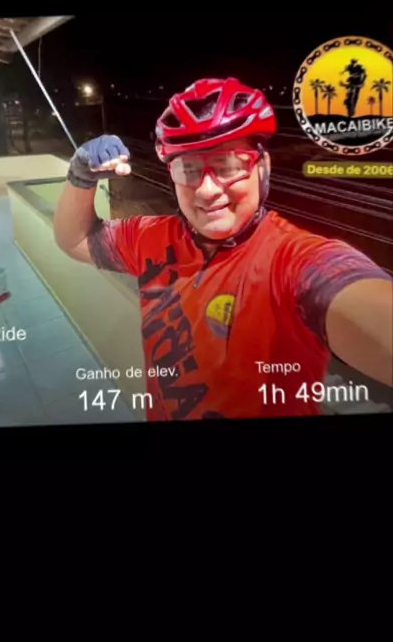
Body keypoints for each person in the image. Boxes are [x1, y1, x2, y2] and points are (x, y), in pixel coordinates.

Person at [54, 78, 392, 420]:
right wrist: (81, 178)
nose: (206, 191)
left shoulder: (292, 259)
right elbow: (74, 239)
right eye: (188, 169)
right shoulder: (150, 238)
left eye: (228, 166)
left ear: (262, 167)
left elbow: (352, 293)